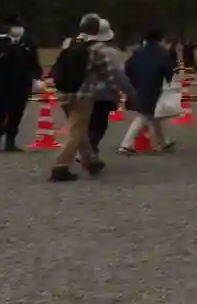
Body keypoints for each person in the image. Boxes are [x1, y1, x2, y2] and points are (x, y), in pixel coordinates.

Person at [45, 14, 138, 183]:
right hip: (84, 94)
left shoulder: (69, 43)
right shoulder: (98, 49)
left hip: (63, 92)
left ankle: (90, 160)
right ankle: (61, 165)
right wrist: (125, 92)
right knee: (77, 130)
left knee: (78, 127)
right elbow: (110, 75)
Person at [0, 13, 41, 154]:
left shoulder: (28, 42)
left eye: (19, 26)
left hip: (22, 83)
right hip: (2, 83)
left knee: (16, 113)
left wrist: (37, 78)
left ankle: (10, 142)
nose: (17, 29)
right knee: (0, 114)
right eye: (14, 26)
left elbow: (34, 63)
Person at [119, 29, 179, 155]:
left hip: (138, 87)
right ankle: (125, 145)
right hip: (154, 87)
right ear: (160, 39)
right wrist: (169, 80)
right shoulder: (162, 53)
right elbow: (169, 70)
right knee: (144, 116)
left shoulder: (138, 53)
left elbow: (127, 68)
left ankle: (165, 143)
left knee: (153, 116)